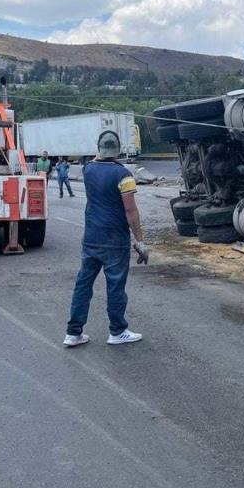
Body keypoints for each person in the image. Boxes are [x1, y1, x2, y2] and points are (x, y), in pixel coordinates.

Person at [64, 131, 149, 347]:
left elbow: (94, 161)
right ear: (118, 149)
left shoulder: (88, 169)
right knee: (115, 286)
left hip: (91, 238)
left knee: (83, 285)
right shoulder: (124, 175)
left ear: (99, 148)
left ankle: (73, 333)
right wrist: (139, 240)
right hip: (114, 240)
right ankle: (117, 331)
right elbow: (130, 210)